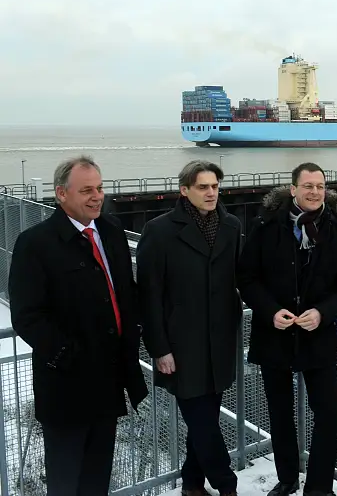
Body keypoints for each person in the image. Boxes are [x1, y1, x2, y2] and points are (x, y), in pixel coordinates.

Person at [9, 155, 148, 496]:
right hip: (66, 387)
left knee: (97, 476)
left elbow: (124, 293)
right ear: (61, 194)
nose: (97, 196)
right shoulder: (35, 244)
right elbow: (27, 315)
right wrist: (66, 355)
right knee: (66, 479)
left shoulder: (111, 230)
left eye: (99, 188)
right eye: (86, 190)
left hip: (110, 379)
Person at [237, 162, 337, 496]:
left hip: (317, 337)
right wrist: (270, 311)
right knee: (280, 412)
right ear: (293, 189)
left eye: (319, 186)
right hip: (274, 333)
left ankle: (318, 487)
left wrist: (322, 312)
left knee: (330, 412)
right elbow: (247, 278)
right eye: (307, 186)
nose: (314, 192)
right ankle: (287, 477)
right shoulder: (265, 227)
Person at [136, 160, 243, 496]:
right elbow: (149, 295)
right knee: (203, 423)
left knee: (204, 420)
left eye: (215, 186)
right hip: (182, 346)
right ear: (184, 190)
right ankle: (227, 486)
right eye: (203, 187)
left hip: (220, 342)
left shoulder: (231, 226)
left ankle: (192, 485)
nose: (211, 193)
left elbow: (241, 279)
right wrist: (159, 349)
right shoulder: (160, 230)